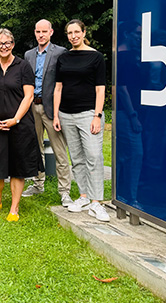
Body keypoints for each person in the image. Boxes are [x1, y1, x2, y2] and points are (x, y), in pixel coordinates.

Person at [0, 28, 41, 222]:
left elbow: (29, 96)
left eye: (7, 43)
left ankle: (14, 208)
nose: (3, 47)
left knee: (17, 166)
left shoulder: (23, 67)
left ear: (13, 45)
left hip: (19, 125)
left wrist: (15, 119)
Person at [53, 19, 109, 222]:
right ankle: (83, 197)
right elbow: (58, 87)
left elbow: (100, 89)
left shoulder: (95, 57)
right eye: (69, 33)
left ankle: (97, 202)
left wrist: (97, 115)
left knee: (94, 156)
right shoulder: (63, 58)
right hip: (66, 114)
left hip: (88, 114)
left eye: (77, 32)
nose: (73, 36)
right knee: (76, 158)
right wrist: (57, 114)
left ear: (84, 32)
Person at [22, 19, 72, 205]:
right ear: (34, 33)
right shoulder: (28, 55)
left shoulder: (60, 52)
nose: (41, 35)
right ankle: (38, 184)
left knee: (59, 151)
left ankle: (64, 191)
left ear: (51, 32)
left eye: (44, 31)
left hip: (52, 108)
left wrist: (60, 111)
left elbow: (64, 83)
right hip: (32, 106)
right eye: (38, 31)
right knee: (35, 148)